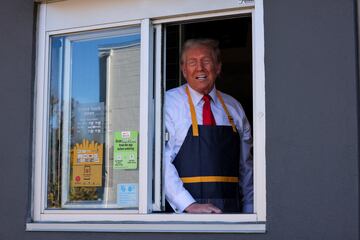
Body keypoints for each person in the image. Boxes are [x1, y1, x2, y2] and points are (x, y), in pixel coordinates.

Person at [164, 38, 253, 214]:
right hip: (183, 217)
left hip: (232, 215)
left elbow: (246, 166)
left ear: (218, 67)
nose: (200, 68)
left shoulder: (234, 107)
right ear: (183, 70)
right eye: (192, 62)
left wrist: (250, 207)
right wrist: (187, 204)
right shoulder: (168, 103)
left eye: (206, 61)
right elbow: (160, 162)